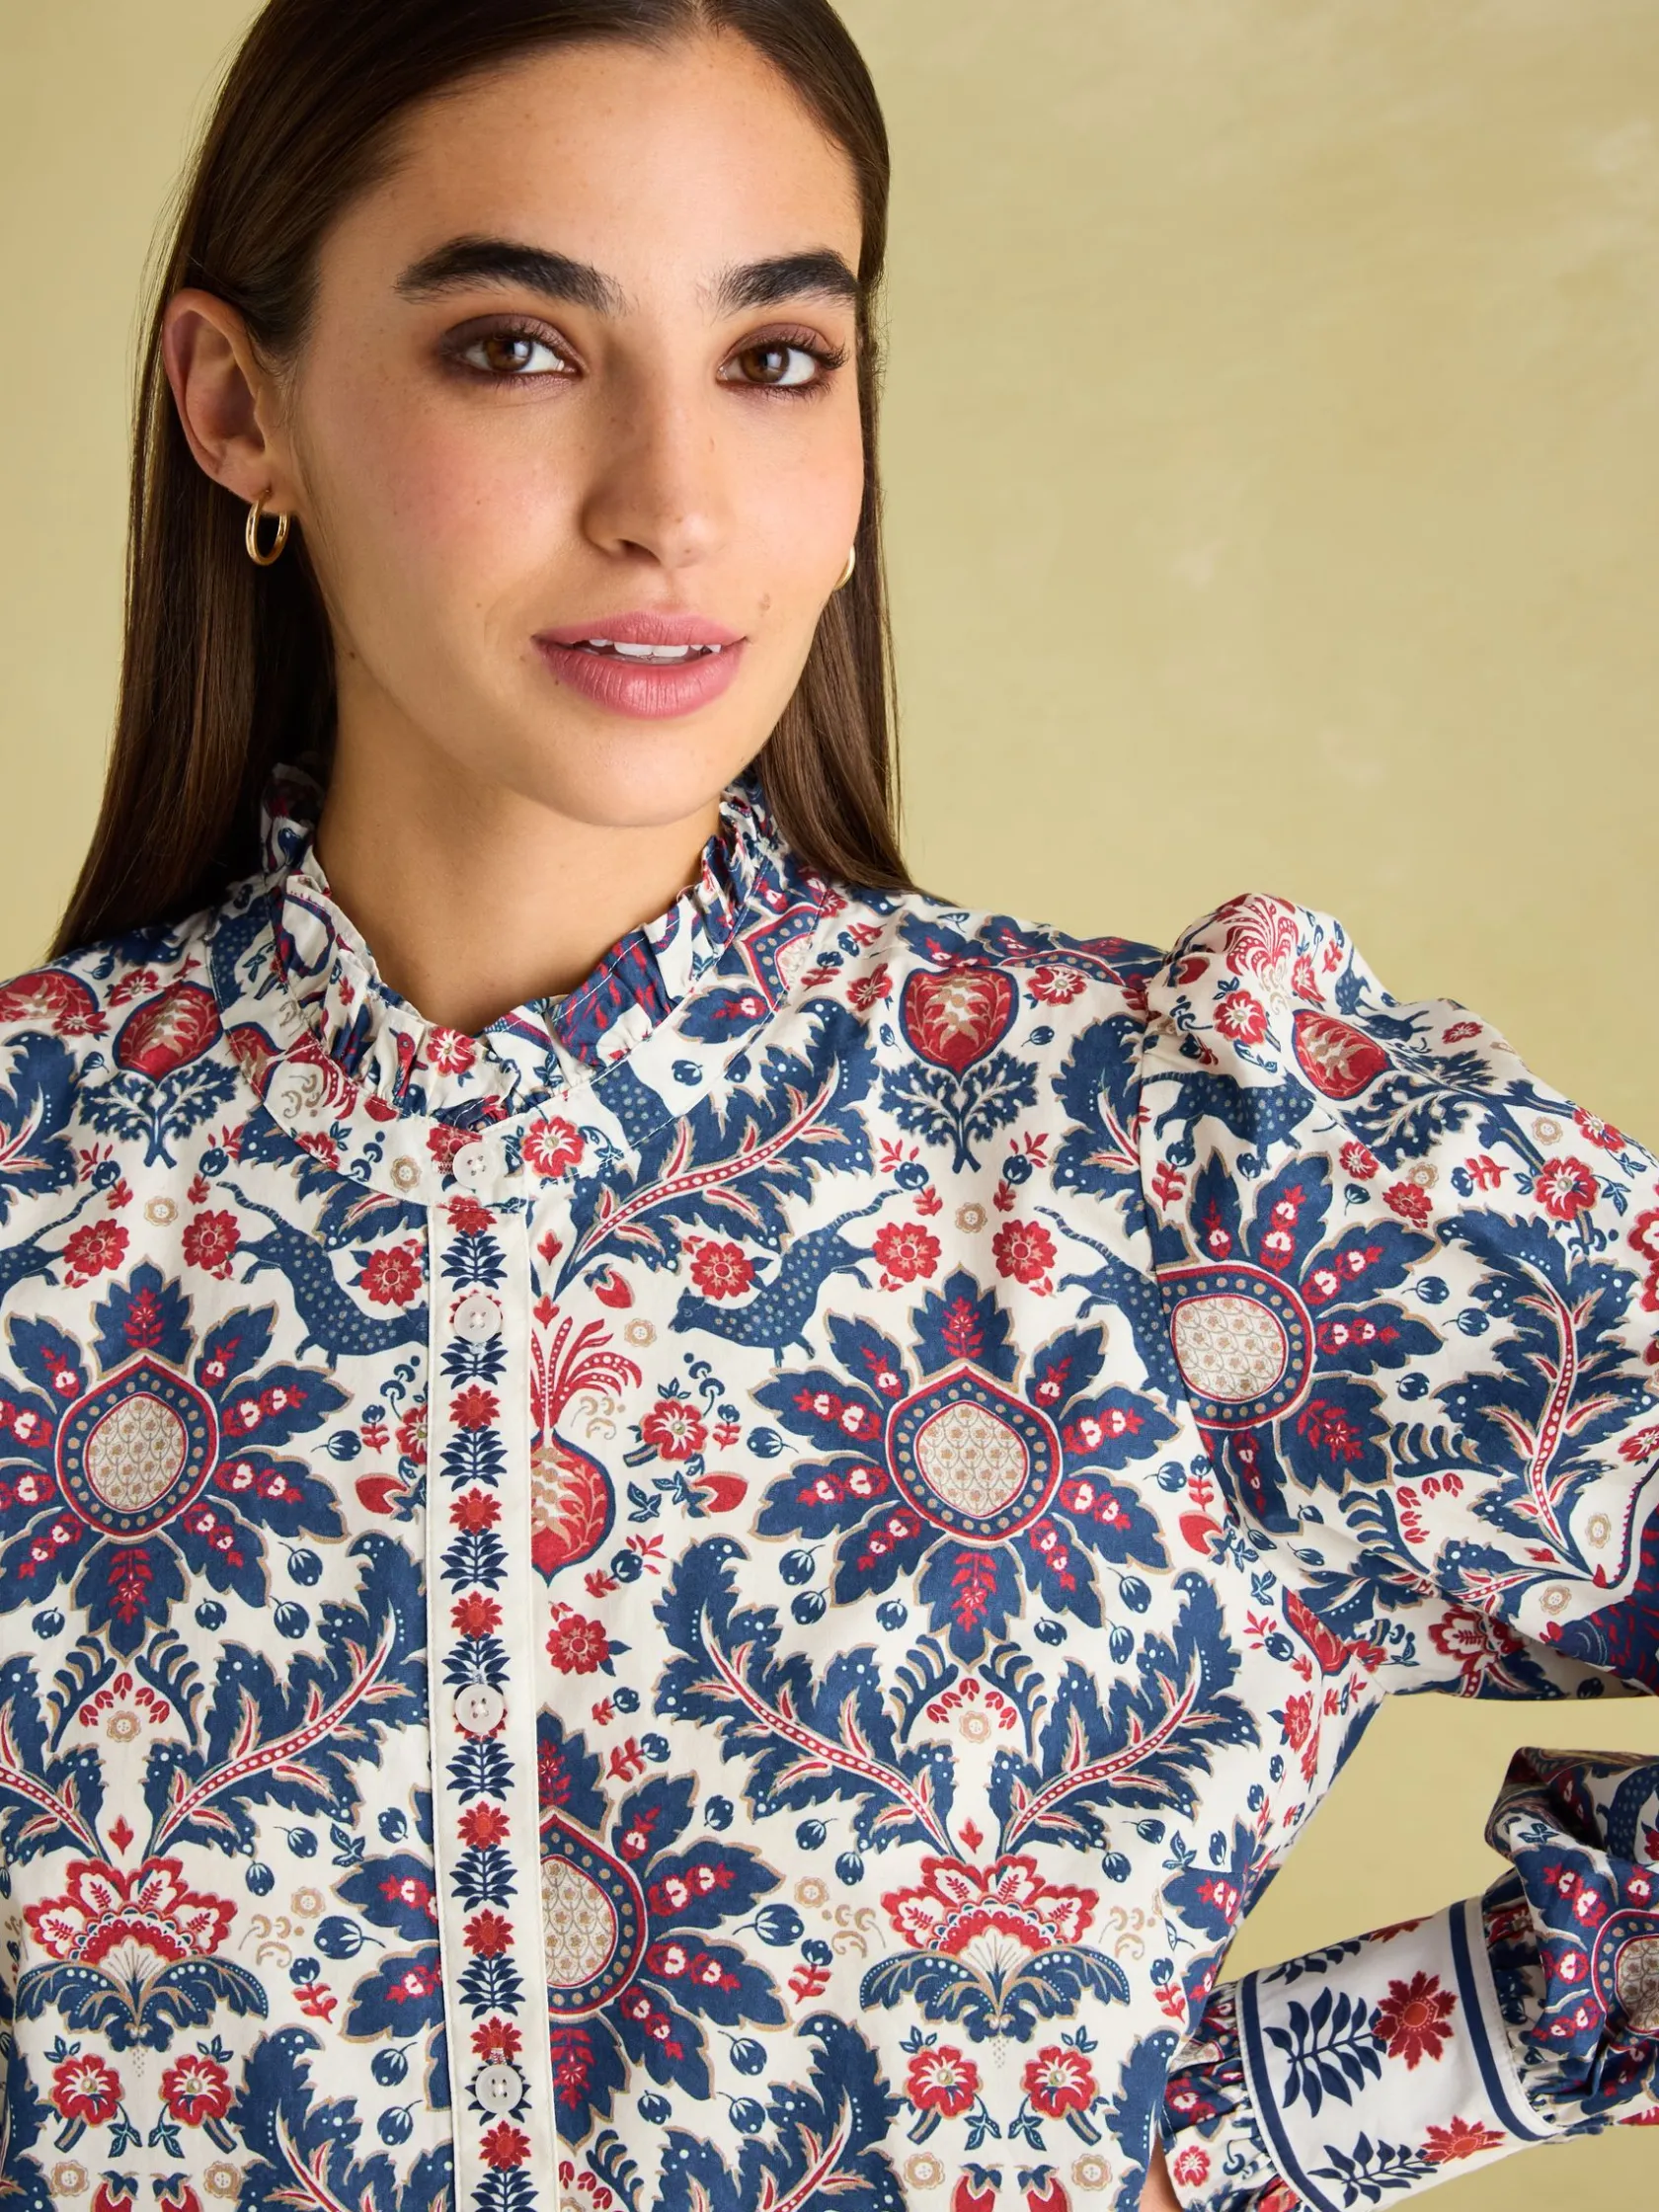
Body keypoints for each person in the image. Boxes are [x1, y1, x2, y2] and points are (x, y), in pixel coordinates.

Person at [2, 4, 1653, 2209]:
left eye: (776, 358)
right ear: (239, 407)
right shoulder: (30, 1192)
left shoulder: (1182, 1179)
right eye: (517, 348)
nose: (673, 504)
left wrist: (1289, 2110)